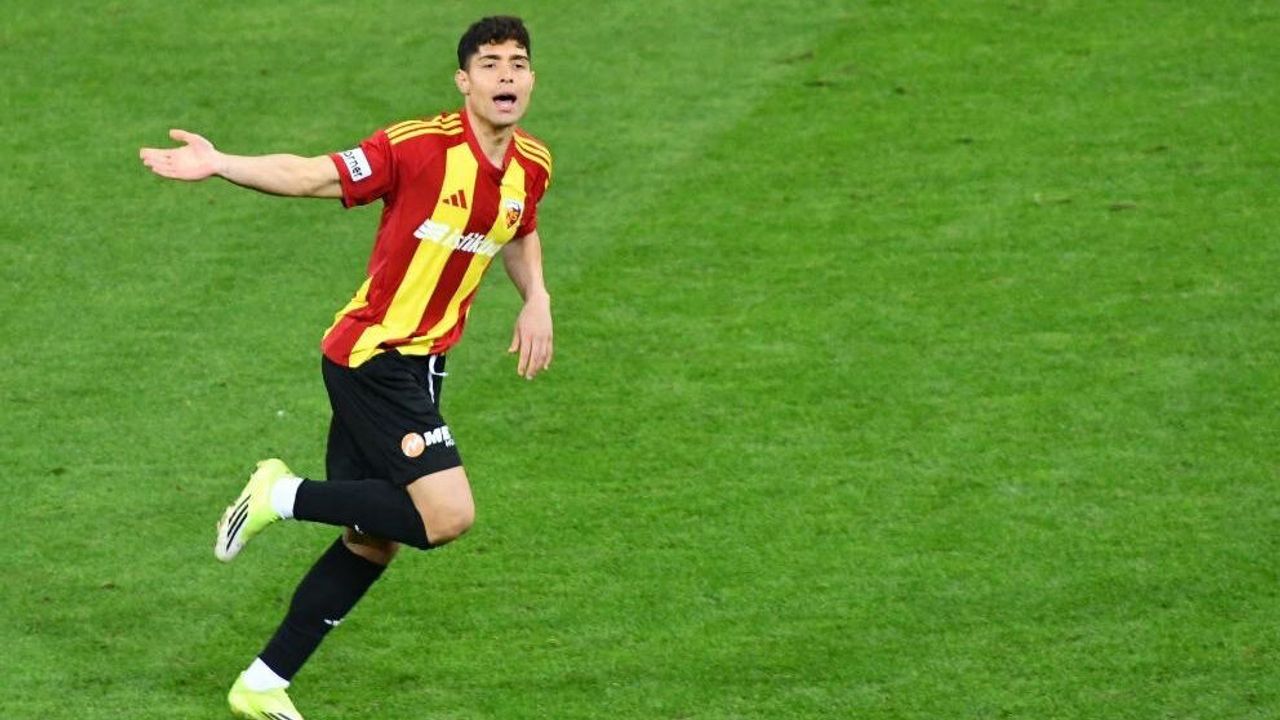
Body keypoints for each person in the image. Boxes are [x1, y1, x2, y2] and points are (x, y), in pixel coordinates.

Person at [139, 16, 553, 720]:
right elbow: (311, 176)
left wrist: (536, 297)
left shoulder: (532, 163)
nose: (505, 74)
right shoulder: (418, 147)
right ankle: (281, 494)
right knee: (448, 515)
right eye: (489, 64)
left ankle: (262, 683)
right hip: (374, 356)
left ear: (531, 78)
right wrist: (222, 163)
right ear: (464, 81)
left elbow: (519, 228)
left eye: (517, 62)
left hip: (423, 365)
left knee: (371, 540)